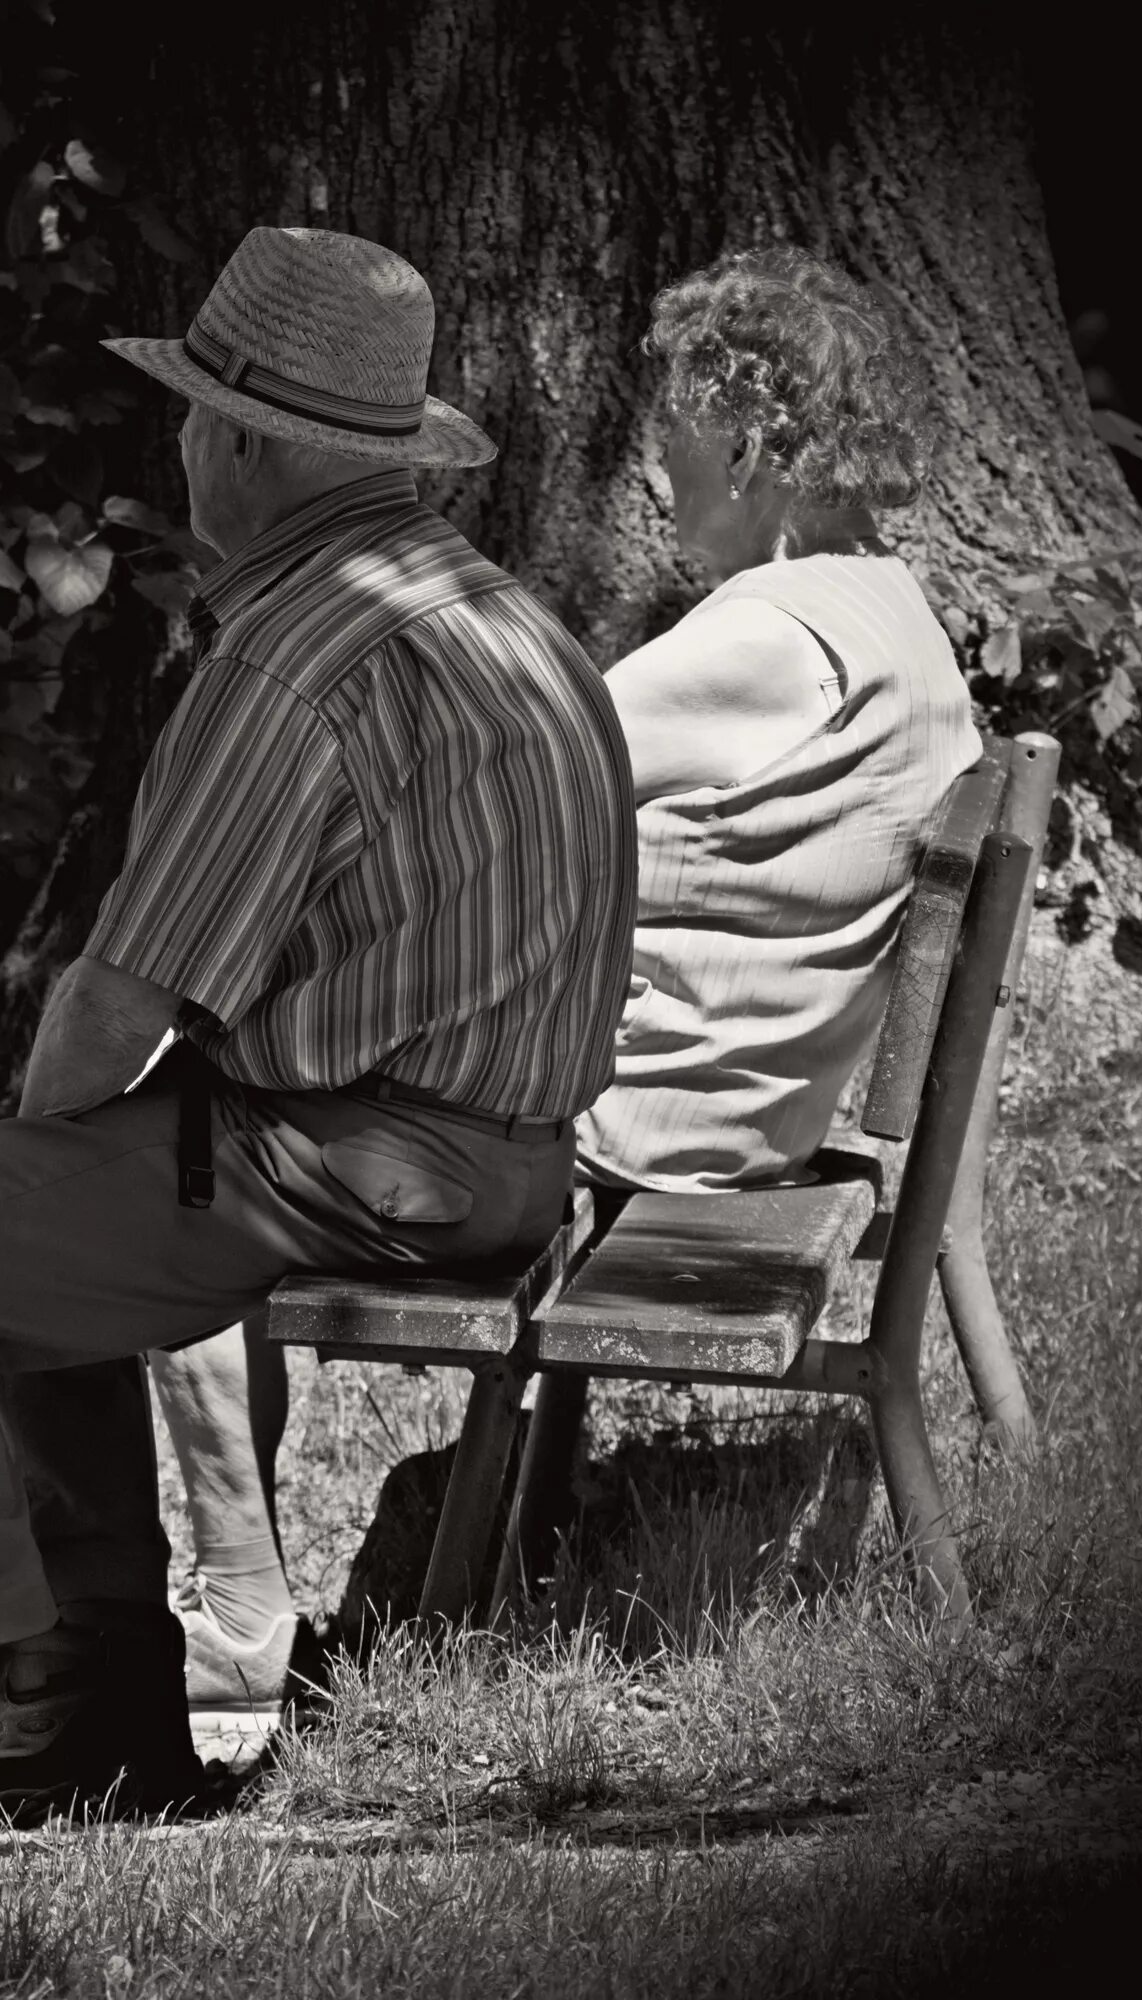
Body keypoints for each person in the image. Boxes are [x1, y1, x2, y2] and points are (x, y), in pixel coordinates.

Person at [0, 226, 637, 1829]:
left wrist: (9, 1172)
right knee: (26, 1215)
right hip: (514, 1157)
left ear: (232, 440)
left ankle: (32, 1703)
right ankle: (78, 1695)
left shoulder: (296, 655)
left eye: (185, 419)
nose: (176, 446)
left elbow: (122, 996)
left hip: (371, 1155)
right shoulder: (503, 609)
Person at [156, 243, 983, 1682]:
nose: (658, 487)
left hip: (624, 1141)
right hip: (737, 1112)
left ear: (756, 440)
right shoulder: (894, 618)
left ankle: (233, 1599)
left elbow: (499, 766)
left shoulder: (767, 645)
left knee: (172, 1127)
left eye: (671, 448)